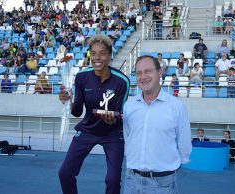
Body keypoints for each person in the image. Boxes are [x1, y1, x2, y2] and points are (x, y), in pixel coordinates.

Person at [58, 35, 130, 194]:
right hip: (87, 130)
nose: (97, 58)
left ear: (110, 55)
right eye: (93, 53)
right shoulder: (82, 77)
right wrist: (68, 101)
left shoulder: (122, 81)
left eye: (102, 53)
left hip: (113, 134)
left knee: (113, 180)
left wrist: (112, 118)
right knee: (64, 173)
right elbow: (77, 112)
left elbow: (119, 114)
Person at [123, 55, 191, 194]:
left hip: (163, 184)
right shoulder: (129, 106)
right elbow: (127, 137)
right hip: (131, 181)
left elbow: (184, 143)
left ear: (160, 72)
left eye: (148, 71)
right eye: (139, 73)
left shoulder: (177, 107)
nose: (143, 76)